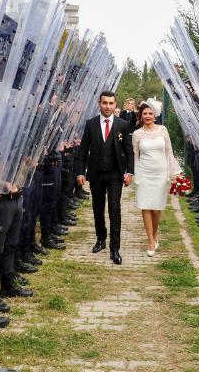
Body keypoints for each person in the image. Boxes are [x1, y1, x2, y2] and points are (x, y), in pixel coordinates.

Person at [75, 91, 134, 265]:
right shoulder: (91, 124)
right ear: (99, 103)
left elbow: (129, 151)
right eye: (105, 103)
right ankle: (101, 238)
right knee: (97, 208)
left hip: (116, 174)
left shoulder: (122, 124)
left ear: (115, 105)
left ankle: (114, 248)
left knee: (114, 209)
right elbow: (83, 150)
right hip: (96, 174)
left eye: (111, 103)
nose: (108, 106)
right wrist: (80, 172)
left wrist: (129, 172)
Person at [131, 103, 181, 256]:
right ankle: (150, 240)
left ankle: (155, 232)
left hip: (161, 173)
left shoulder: (163, 130)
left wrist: (175, 172)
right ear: (141, 115)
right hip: (144, 172)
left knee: (157, 207)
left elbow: (169, 152)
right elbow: (135, 156)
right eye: (145, 113)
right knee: (146, 206)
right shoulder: (137, 134)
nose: (147, 116)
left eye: (150, 113)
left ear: (155, 115)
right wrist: (134, 175)